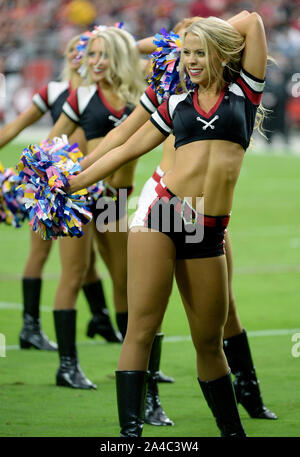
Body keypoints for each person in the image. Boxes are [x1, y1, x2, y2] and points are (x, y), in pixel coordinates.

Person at [68, 12, 269, 436]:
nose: (191, 61)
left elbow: (251, 20)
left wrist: (208, 34)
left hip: (207, 227)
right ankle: (130, 436)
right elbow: (123, 149)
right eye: (186, 54)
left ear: (218, 52)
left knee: (209, 343)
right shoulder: (175, 103)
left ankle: (233, 432)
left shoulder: (245, 93)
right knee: (141, 328)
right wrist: (74, 182)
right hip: (165, 214)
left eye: (199, 53)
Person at [46, 25, 146, 389]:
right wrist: (54, 179)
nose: (97, 62)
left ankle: (135, 369)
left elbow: (170, 49)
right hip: (80, 197)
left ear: (120, 55)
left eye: (105, 54)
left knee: (124, 281)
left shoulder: (140, 97)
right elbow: (49, 145)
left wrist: (125, 42)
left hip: (115, 201)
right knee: (72, 275)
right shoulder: (82, 96)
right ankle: (67, 366)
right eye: (92, 55)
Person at [0, 34, 113, 353]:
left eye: (89, 51)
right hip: (54, 188)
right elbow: (14, 128)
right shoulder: (55, 91)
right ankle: (30, 327)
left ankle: (102, 319)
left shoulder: (101, 92)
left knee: (87, 259)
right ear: (68, 56)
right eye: (78, 51)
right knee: (43, 255)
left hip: (91, 184)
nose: (83, 57)